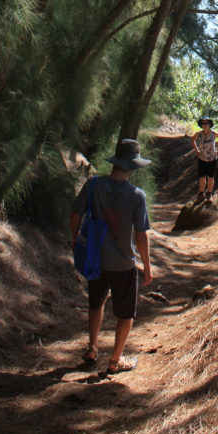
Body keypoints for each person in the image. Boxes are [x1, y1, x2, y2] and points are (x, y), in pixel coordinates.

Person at [70, 137, 153, 374]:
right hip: (124, 265)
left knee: (96, 303)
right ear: (133, 167)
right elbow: (141, 236)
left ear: (116, 162)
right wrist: (147, 266)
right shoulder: (137, 196)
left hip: (96, 259)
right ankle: (115, 361)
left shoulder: (93, 185)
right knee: (126, 314)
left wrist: (76, 241)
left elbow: (75, 216)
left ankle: (93, 348)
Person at [190, 116, 218, 201]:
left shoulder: (213, 133)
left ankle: (209, 193)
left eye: (207, 123)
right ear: (201, 125)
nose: (205, 125)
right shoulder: (199, 134)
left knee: (211, 177)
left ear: (210, 124)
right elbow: (192, 140)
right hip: (202, 159)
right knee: (202, 177)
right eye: (203, 123)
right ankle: (201, 193)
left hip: (212, 159)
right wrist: (197, 151)